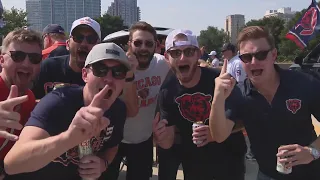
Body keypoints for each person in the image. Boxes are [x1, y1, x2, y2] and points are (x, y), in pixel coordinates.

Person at [4, 42, 131, 180]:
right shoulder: (58, 102)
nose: (109, 79)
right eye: (100, 70)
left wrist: (103, 163)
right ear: (84, 75)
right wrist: (69, 138)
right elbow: (12, 164)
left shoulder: (118, 109)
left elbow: (112, 146)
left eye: (118, 72)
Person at [210, 26, 320, 180]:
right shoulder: (239, 94)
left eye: (261, 55)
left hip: (311, 174)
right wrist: (217, 98)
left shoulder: (303, 83)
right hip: (267, 175)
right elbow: (219, 135)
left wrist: (312, 151)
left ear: (273, 54)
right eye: (247, 57)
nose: (254, 62)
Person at [153, 29, 246, 180]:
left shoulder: (219, 82)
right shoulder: (167, 91)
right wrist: (160, 137)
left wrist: (215, 133)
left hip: (229, 162)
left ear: (198, 54)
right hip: (194, 165)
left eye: (189, 51)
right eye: (175, 53)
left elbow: (243, 119)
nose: (182, 58)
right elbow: (168, 140)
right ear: (167, 57)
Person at [104, 21, 170, 180]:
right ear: (129, 44)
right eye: (138, 43)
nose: (143, 48)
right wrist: (129, 73)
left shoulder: (161, 64)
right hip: (115, 139)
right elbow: (130, 110)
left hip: (143, 139)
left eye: (148, 43)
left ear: (156, 45)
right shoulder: (117, 67)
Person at [0, 28, 42, 178]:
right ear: (2, 60)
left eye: (34, 58)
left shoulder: (29, 98)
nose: (26, 63)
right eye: (17, 56)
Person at [32, 17, 101, 99]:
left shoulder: (105, 74)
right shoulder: (47, 67)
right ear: (68, 44)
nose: (83, 43)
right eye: (78, 37)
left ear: (99, 46)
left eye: (91, 39)